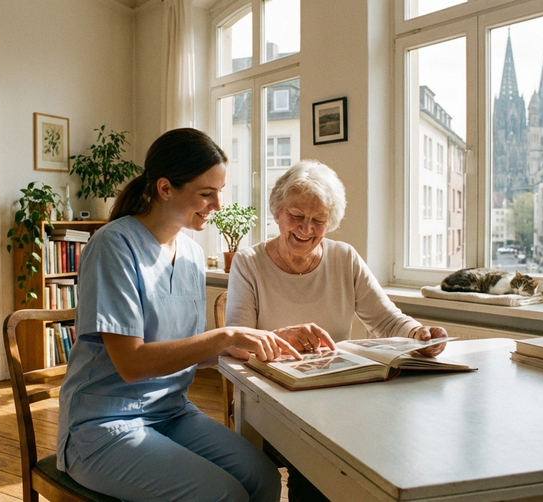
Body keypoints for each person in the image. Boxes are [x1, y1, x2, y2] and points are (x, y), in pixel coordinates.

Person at [57, 128, 300, 502]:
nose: (217, 204)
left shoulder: (191, 254)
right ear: (165, 188)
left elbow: (183, 349)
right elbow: (132, 364)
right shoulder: (113, 246)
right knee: (223, 496)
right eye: (206, 193)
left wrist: (262, 342)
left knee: (264, 478)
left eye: (220, 191)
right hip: (103, 423)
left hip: (170, 412)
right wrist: (225, 336)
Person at [225, 159, 449, 502]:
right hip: (273, 399)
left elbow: (387, 320)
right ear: (277, 211)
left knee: (389, 448)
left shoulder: (345, 257)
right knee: (318, 464)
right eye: (296, 215)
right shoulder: (249, 262)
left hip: (337, 397)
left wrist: (420, 334)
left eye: (319, 220)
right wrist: (280, 338)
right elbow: (235, 341)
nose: (306, 228)